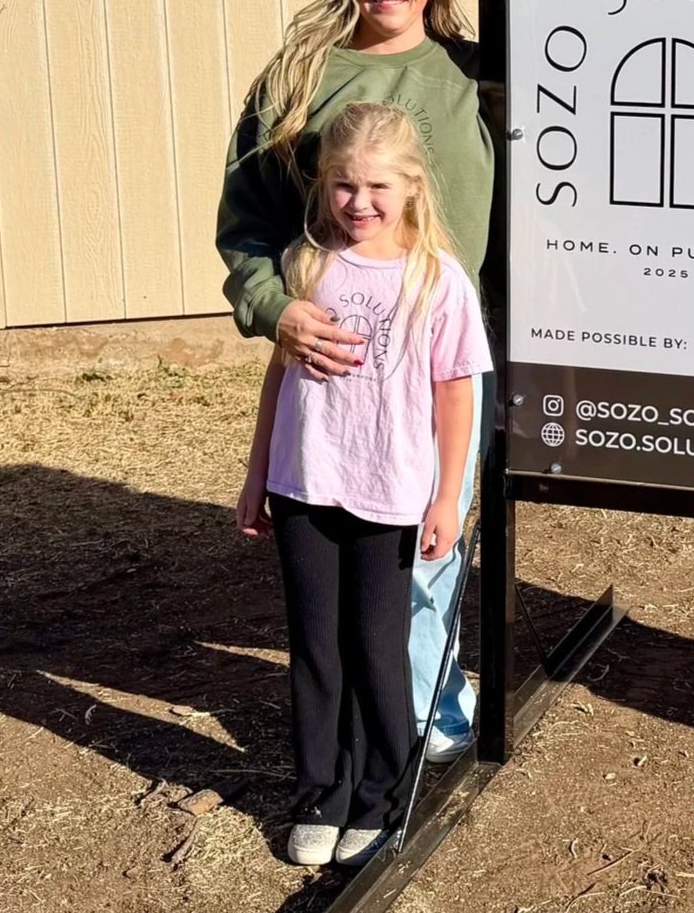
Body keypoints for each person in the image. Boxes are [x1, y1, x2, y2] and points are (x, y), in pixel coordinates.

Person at [217, 0, 494, 764]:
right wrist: (278, 309)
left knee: (430, 541)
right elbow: (249, 220)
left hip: (442, 350)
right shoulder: (296, 77)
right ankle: (374, 739)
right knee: (352, 561)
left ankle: (426, 705)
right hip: (337, 371)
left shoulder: (474, 75)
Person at [235, 103, 494, 866]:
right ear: (323, 186)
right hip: (305, 484)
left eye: (378, 185)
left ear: (411, 186)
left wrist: (449, 495)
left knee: (376, 645)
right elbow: (278, 378)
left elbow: (457, 393)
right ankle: (323, 791)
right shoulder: (306, 265)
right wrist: (257, 475)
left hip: (392, 493)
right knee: (317, 645)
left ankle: (381, 791)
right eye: (344, 185)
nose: (360, 202)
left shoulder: (437, 280)